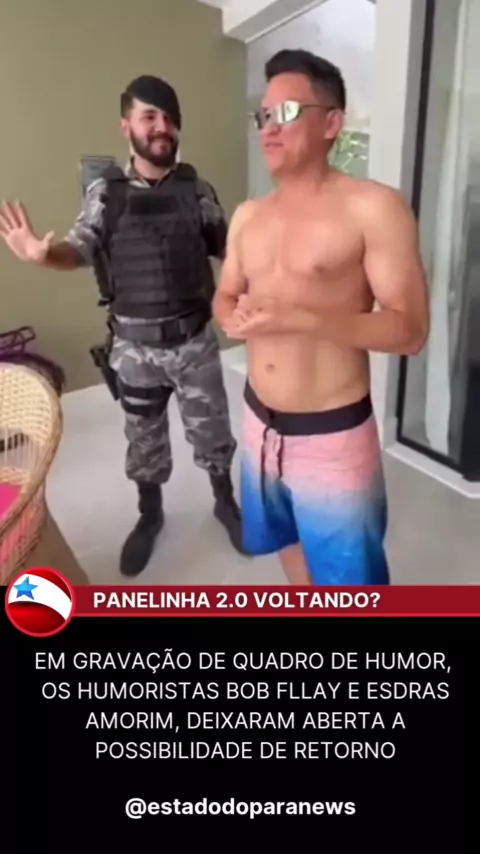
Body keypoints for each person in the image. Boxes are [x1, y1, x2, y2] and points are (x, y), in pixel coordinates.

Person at [0, 74, 246, 576]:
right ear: (126, 126)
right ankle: (149, 515)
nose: (161, 127)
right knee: (144, 440)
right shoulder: (105, 194)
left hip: (195, 342)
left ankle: (226, 502)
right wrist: (44, 256)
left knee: (213, 435)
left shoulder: (197, 190)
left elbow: (231, 251)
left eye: (169, 118)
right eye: (149, 116)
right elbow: (78, 250)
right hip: (135, 349)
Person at [213, 49, 429, 586]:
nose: (268, 128)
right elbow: (225, 296)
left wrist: (301, 318)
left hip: (331, 438)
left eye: (285, 113)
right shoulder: (247, 215)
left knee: (351, 586)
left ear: (331, 123)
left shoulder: (373, 208)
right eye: (263, 115)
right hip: (258, 422)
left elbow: (410, 330)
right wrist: (232, 319)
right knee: (285, 544)